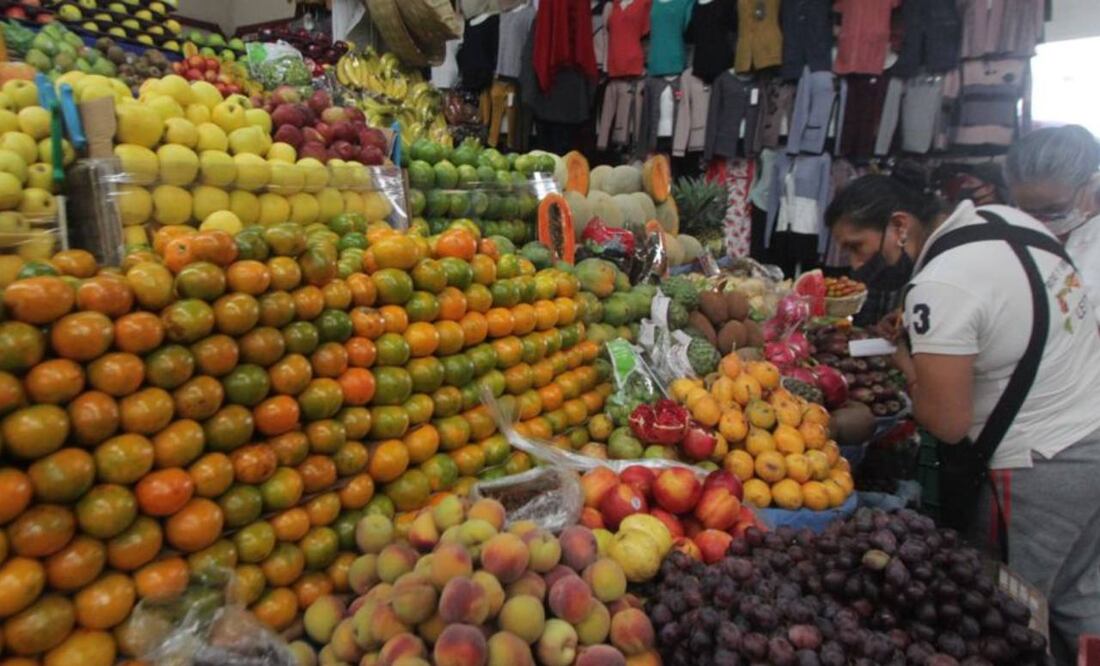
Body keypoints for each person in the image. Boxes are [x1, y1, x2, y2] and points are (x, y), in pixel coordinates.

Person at [826, 173, 1100, 664]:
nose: (856, 264)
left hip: (1039, 467)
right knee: (1081, 599)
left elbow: (945, 422)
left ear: (900, 225)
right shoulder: (1007, 221)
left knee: (1014, 619)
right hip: (1088, 434)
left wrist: (904, 361)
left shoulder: (943, 280)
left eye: (858, 246)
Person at [1005, 124, 1100, 320]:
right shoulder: (1005, 234)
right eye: (1027, 210)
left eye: (1053, 209)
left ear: (1093, 183)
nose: (1040, 220)